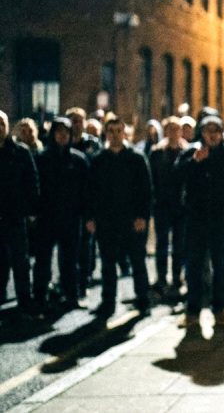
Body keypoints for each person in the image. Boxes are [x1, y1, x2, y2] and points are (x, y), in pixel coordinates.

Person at [175, 115, 224, 326]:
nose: (212, 135)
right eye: (208, 130)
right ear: (201, 133)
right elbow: (176, 178)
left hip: (221, 221)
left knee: (220, 266)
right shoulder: (191, 153)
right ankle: (192, 310)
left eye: (216, 130)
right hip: (196, 220)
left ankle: (219, 308)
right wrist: (194, 162)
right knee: (194, 267)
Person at [86, 113, 153, 316]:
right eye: (111, 131)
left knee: (137, 261)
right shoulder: (98, 160)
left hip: (132, 219)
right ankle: (108, 302)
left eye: (118, 131)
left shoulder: (136, 158)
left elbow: (146, 190)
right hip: (106, 221)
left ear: (125, 133)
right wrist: (90, 217)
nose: (115, 135)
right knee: (108, 264)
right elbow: (90, 192)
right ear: (105, 133)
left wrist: (142, 216)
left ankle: (143, 300)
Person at [32, 117, 90, 310]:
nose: (63, 135)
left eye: (66, 132)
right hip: (46, 217)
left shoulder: (79, 160)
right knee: (43, 259)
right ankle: (40, 296)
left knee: (70, 260)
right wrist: (34, 211)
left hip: (71, 218)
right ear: (53, 134)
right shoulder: (41, 158)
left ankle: (71, 296)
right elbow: (34, 187)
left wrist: (86, 215)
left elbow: (87, 190)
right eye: (59, 132)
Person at [0, 109, 41, 320]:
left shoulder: (20, 152)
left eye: (2, 124)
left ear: (7, 127)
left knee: (20, 262)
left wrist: (31, 211)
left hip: (15, 216)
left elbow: (32, 183)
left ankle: (25, 303)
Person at [149, 116, 189, 297]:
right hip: (163, 205)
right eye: (170, 129)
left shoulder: (187, 151)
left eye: (177, 129)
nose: (174, 132)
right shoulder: (157, 152)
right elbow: (152, 179)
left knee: (179, 245)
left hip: (181, 207)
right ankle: (161, 278)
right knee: (162, 244)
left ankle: (176, 278)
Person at [67, 108, 102, 297]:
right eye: (74, 121)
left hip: (88, 200)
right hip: (69, 202)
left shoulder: (92, 144)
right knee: (68, 246)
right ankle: (68, 281)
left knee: (86, 243)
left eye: (80, 121)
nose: (77, 124)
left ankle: (84, 279)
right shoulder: (62, 142)